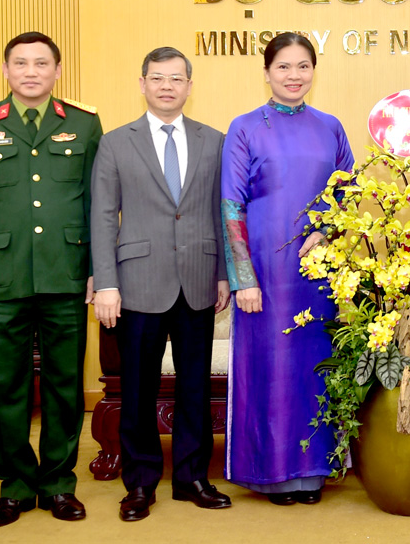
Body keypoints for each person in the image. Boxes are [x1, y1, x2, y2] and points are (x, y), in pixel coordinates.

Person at [0, 31, 102, 528]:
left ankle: (59, 483)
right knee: (6, 385)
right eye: (21, 63)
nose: (31, 71)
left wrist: (97, 271)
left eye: (42, 63)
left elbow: (95, 206)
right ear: (5, 70)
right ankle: (15, 486)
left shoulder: (84, 123)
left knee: (64, 385)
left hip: (66, 273)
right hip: (2, 277)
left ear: (58, 71)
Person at [90, 47, 232, 521]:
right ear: (143, 83)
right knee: (138, 389)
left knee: (194, 385)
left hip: (197, 279)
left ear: (190, 86)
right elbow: (103, 217)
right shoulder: (115, 142)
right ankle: (141, 482)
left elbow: (221, 211)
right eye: (157, 77)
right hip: (137, 282)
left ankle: (193, 476)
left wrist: (222, 275)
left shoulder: (215, 140)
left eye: (176, 78)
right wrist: (106, 283)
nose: (167, 85)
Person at [221, 32, 354, 505]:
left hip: (317, 275)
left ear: (314, 72)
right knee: (271, 371)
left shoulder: (331, 126)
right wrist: (243, 279)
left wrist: (328, 230)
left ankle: (314, 470)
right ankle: (271, 473)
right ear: (266, 72)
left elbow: (347, 194)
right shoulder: (245, 127)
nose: (293, 76)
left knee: (314, 368)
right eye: (283, 67)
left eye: (302, 67)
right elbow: (232, 206)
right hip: (265, 275)